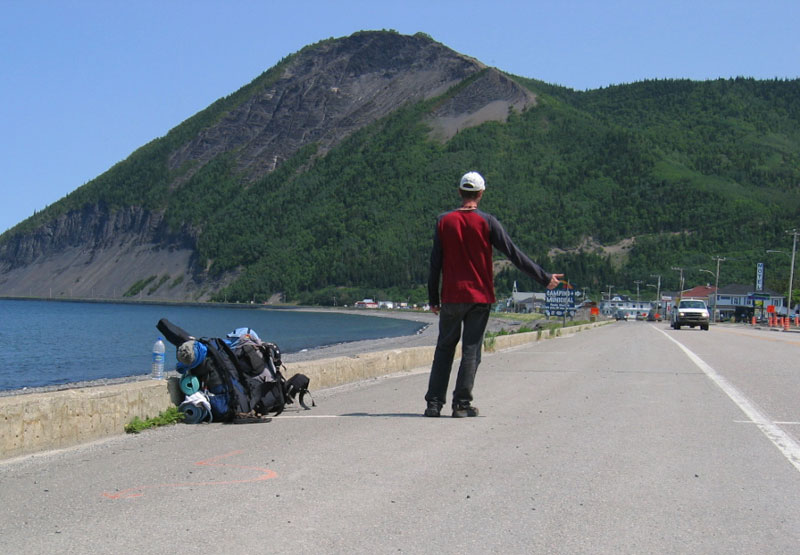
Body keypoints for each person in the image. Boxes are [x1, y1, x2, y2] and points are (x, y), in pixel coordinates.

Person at [424, 171, 563, 418]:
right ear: (480, 194)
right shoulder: (487, 222)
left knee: (444, 348)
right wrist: (544, 277)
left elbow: (436, 263)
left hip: (452, 296)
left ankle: (434, 404)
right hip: (479, 297)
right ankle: (461, 405)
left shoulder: (443, 221)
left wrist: (433, 299)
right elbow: (514, 254)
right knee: (471, 350)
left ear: (459, 192)